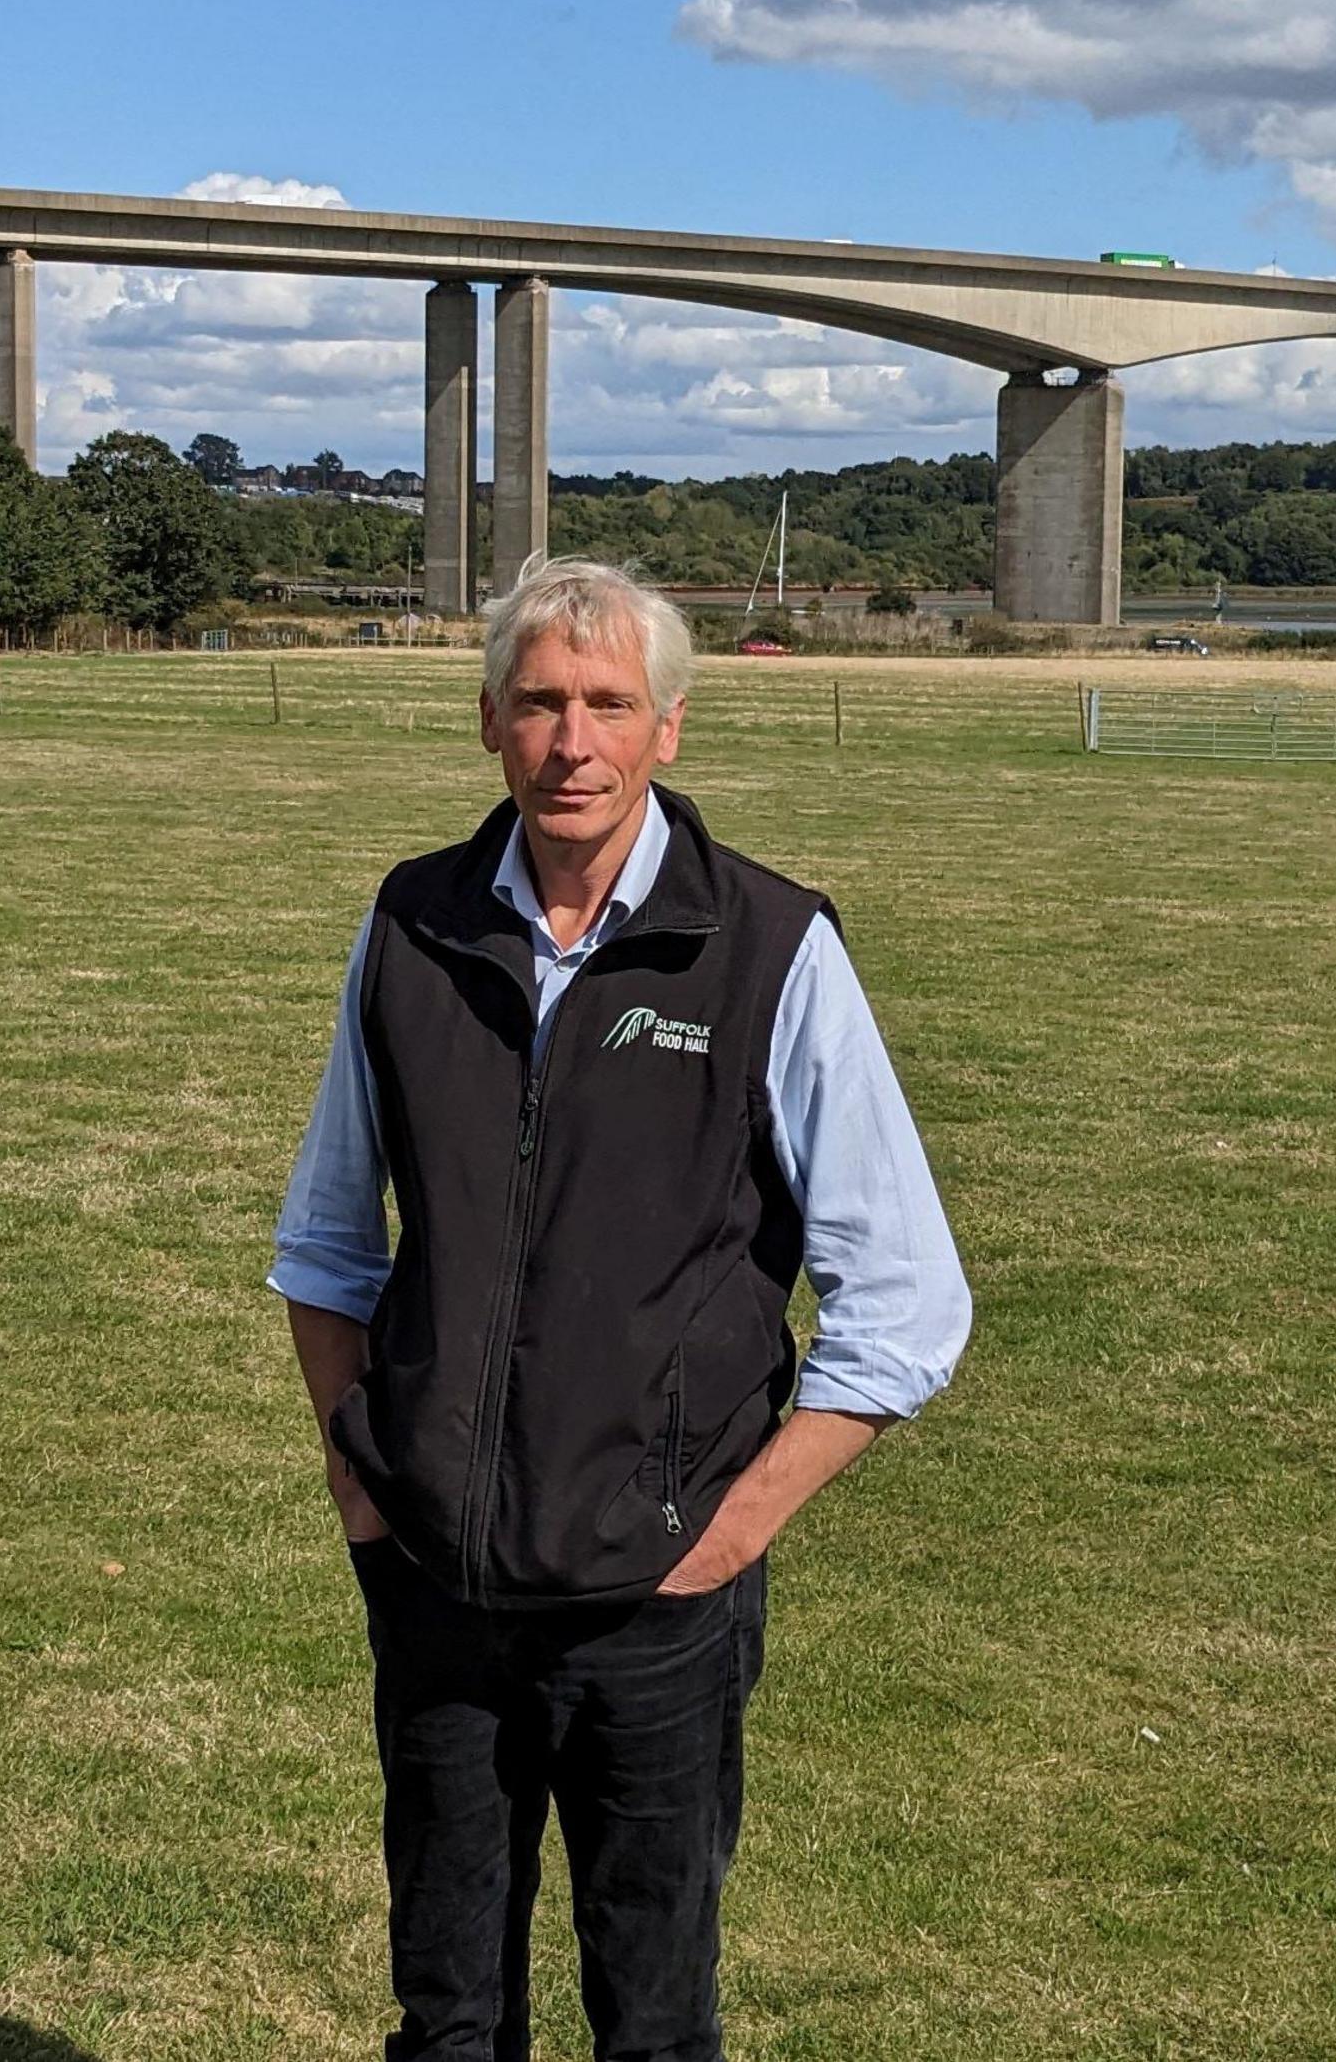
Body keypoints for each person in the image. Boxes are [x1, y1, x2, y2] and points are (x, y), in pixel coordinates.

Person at [270, 557, 973, 2061]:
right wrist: (363, 1484)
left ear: (669, 729)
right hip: (440, 1593)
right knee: (448, 2015)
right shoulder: (411, 929)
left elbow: (907, 1304)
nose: (570, 741)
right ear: (486, 725)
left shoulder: (772, 949)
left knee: (653, 2023)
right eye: (538, 704)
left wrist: (722, 1531)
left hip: (656, 1609)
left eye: (607, 705)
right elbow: (327, 1247)